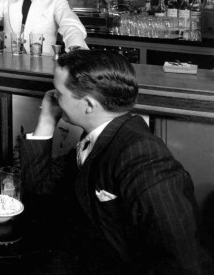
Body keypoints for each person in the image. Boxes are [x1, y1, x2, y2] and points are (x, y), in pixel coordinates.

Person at [19, 49, 212, 274]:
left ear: (88, 105)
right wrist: (46, 119)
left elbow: (183, 261)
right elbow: (40, 187)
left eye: (59, 94)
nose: (53, 97)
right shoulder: (99, 135)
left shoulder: (141, 156)